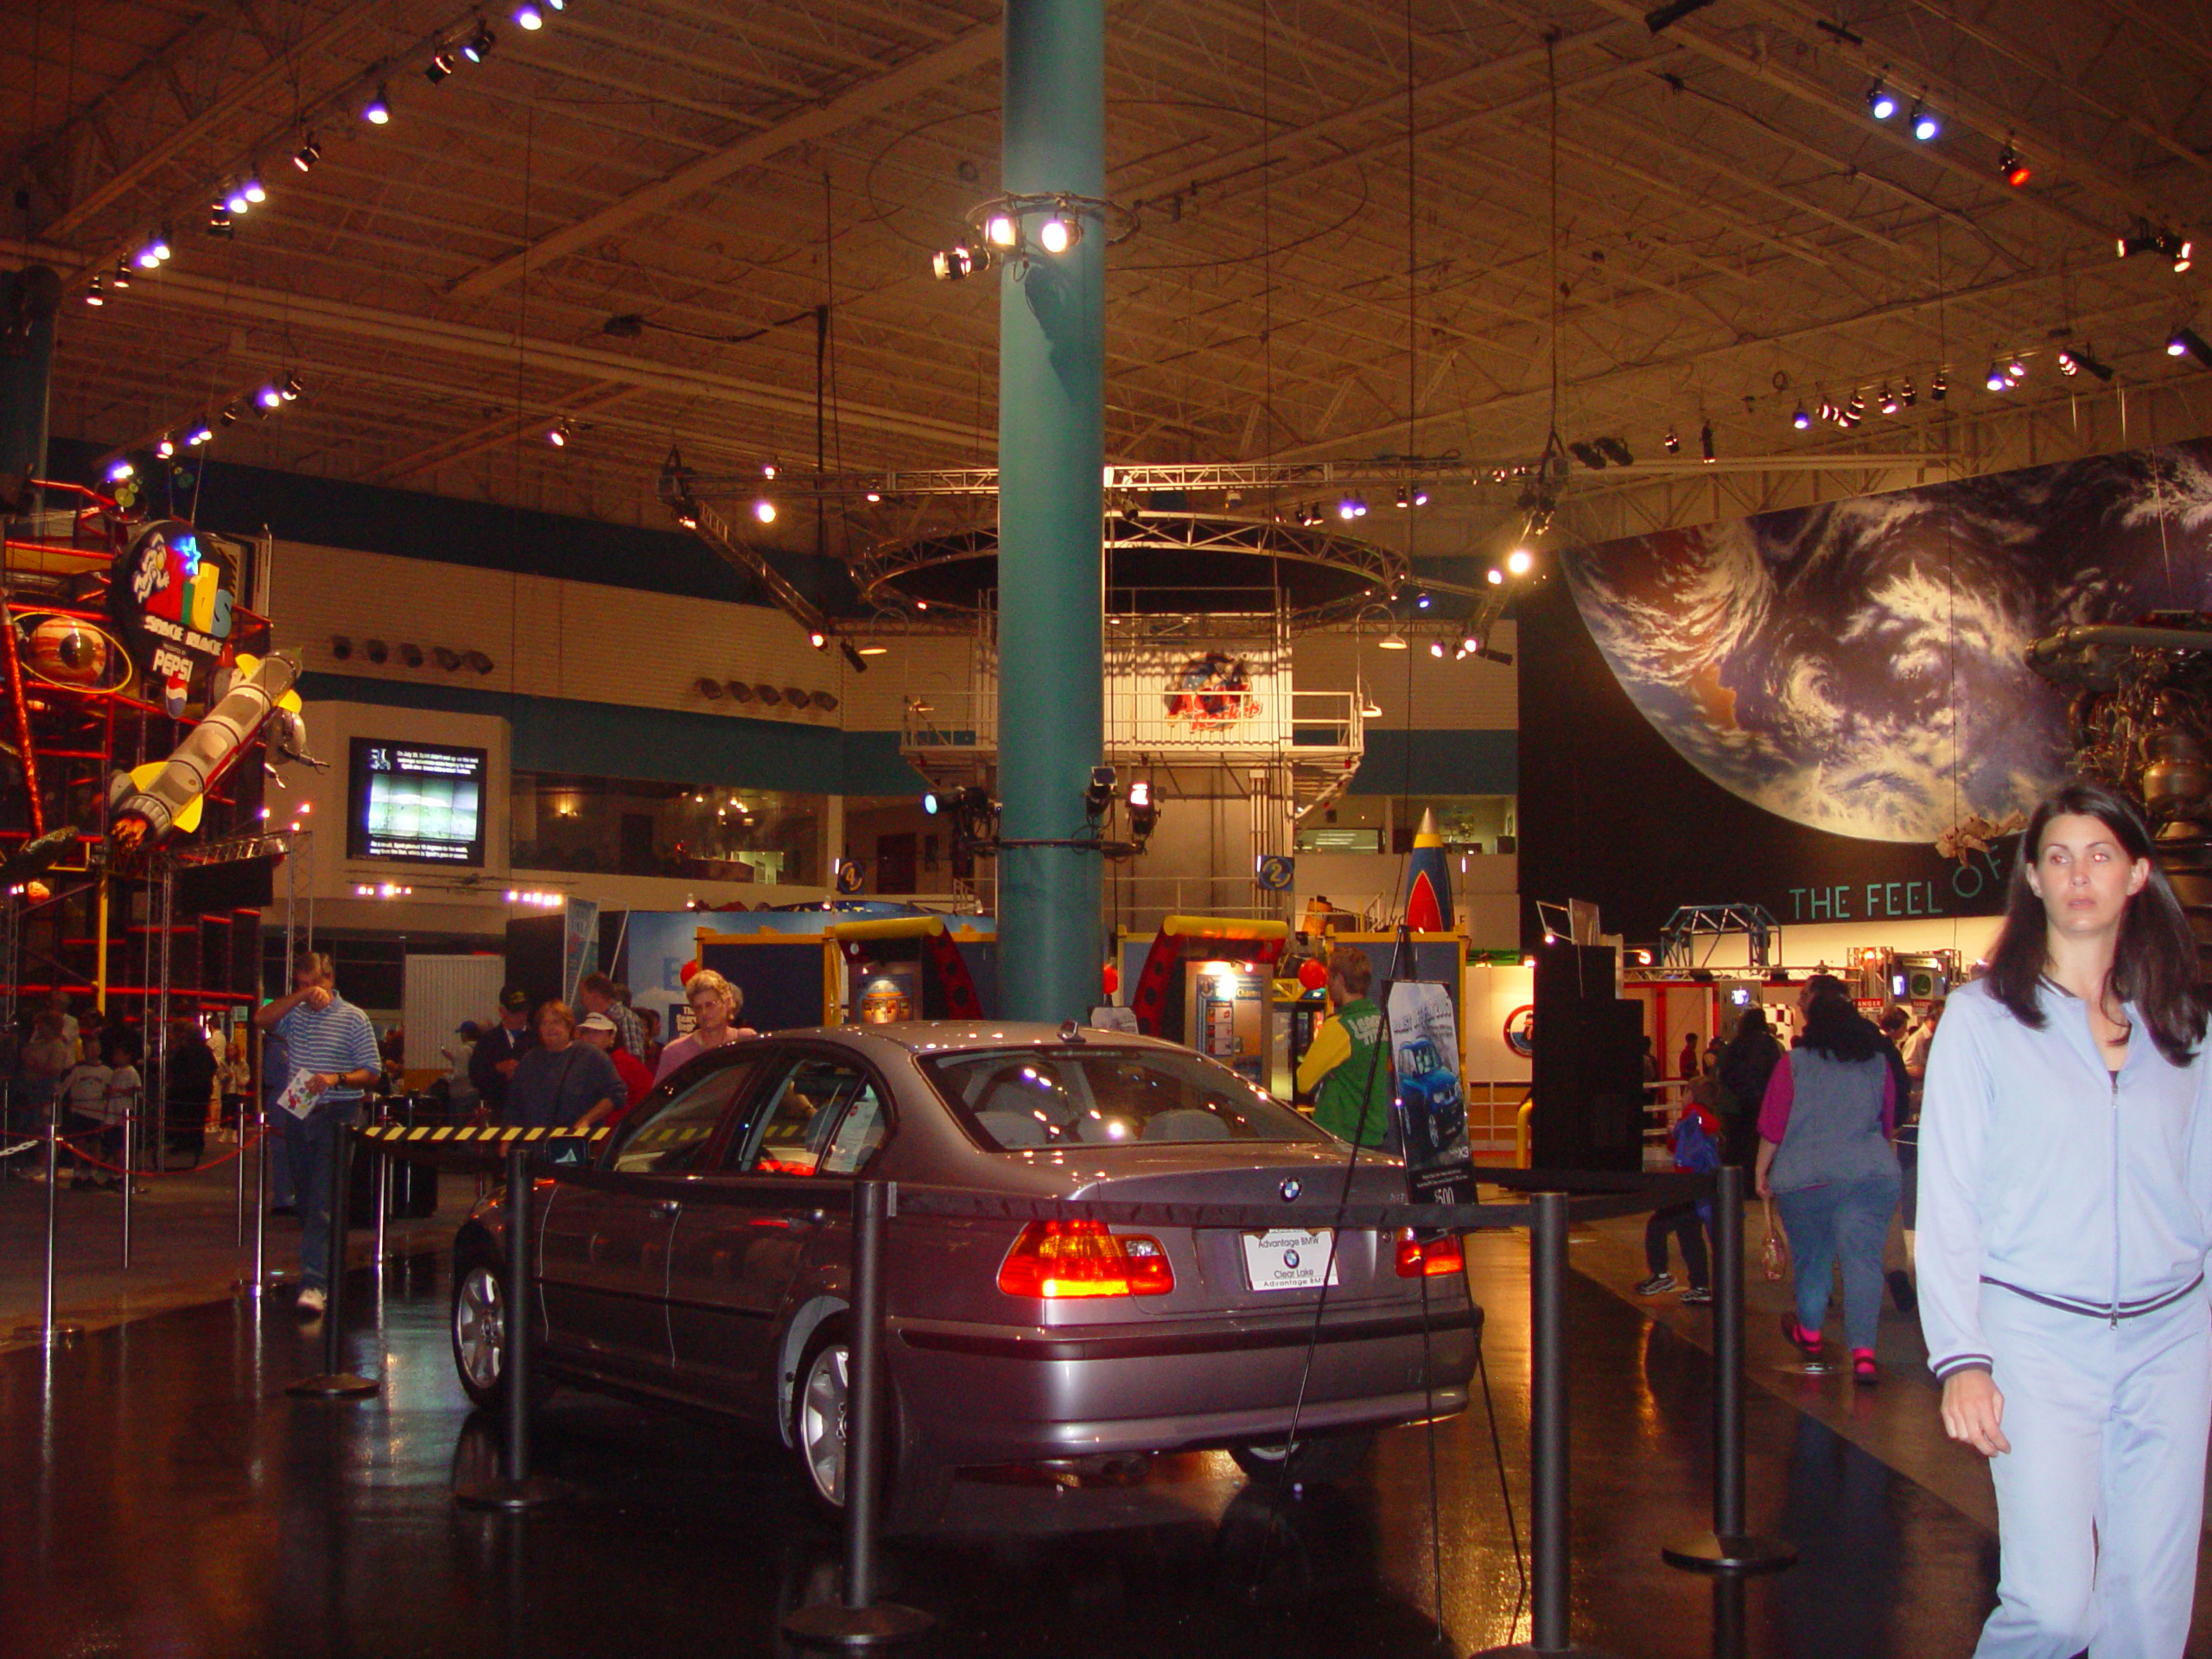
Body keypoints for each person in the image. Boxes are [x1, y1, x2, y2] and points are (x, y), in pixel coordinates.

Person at [1919, 781, 2212, 1659]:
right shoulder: (1981, 1022)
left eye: (2099, 855)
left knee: (2150, 1617)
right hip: (2036, 1340)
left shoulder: (2184, 1025)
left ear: (2136, 876)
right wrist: (1961, 1358)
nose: (2078, 873)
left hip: (2171, 1339)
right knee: (2053, 1609)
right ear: (2034, 882)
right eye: (2057, 857)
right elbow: (1948, 1202)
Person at [1756, 973, 1900, 1384]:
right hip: (1870, 1175)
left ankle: (1812, 1334)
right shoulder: (1877, 1063)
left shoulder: (1794, 1064)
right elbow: (1887, 1120)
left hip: (1807, 1179)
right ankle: (1865, 1354)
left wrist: (1761, 1171)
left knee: (1813, 1259)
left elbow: (1774, 1125)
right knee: (1863, 1263)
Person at [255, 951, 382, 1317]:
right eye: (301, 985)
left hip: (338, 1110)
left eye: (315, 984)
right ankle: (327, 1262)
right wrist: (298, 998)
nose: (310, 992)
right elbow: (263, 1019)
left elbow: (371, 1071)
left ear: (330, 979)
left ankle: (314, 1282)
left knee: (324, 1200)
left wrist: (336, 1078)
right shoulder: (295, 1014)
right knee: (308, 1197)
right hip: (300, 1107)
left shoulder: (353, 1017)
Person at [1293, 945, 1394, 1148]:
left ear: (1339, 978)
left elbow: (1304, 1081)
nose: (1327, 984)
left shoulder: (1340, 1027)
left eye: (1329, 978)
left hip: (1342, 1137)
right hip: (1373, 1134)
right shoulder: (1380, 1020)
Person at [1636, 1087, 1721, 1304]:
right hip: (1697, 1189)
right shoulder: (1692, 1119)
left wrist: (1684, 1126)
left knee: (1657, 1225)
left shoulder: (1694, 1112)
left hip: (1688, 1188)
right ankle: (1700, 1285)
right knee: (1689, 1235)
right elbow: (1675, 1148)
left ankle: (1660, 1274)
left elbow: (1706, 1126)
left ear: (1692, 1094)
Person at [505, 1002, 620, 1132]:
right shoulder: (529, 1060)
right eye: (545, 1023)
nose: (550, 1028)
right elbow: (514, 1105)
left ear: (569, 1026)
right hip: (534, 1144)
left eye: (556, 1022)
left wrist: (586, 1120)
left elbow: (616, 1094)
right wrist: (508, 1141)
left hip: (576, 1142)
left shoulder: (592, 1056)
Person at [1877, 1004, 1919, 1313]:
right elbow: (1900, 1090)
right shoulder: (1885, 1050)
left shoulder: (1807, 1056)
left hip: (1828, 1147)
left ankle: (1821, 1286)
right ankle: (1896, 1271)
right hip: (1880, 1137)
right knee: (1890, 1209)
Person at [652, 969, 758, 1084]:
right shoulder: (675, 1053)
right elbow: (661, 1099)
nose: (704, 1012)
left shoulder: (745, 1041)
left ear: (727, 1003)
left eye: (709, 1005)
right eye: (698, 1008)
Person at [1717, 1007, 1783, 1170]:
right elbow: (1776, 1072)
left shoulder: (1735, 1044)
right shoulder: (1769, 1044)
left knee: (1736, 1146)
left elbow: (1724, 1073)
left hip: (1737, 1106)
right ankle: (1755, 1182)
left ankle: (1732, 1187)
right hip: (1762, 1103)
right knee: (1757, 1146)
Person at [573, 1012, 654, 1127]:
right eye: (586, 1032)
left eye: (597, 1032)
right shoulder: (577, 1064)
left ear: (612, 1037)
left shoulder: (626, 1065)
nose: (589, 1037)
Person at [468, 987, 537, 1116]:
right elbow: (475, 1076)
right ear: (502, 1011)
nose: (521, 1017)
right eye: (515, 1013)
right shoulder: (487, 1041)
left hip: (530, 1111)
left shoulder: (537, 1040)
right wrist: (497, 1069)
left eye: (524, 1012)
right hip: (496, 1111)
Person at [162, 1019, 218, 1166]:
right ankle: (197, 1143)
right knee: (197, 1117)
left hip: (184, 1089)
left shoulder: (184, 1050)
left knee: (183, 1117)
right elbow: (213, 1067)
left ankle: (184, 1142)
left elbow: (174, 1066)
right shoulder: (205, 1050)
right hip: (201, 1088)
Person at [577, 971, 645, 1062]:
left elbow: (634, 1059)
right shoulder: (592, 1018)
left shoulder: (625, 1018)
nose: (582, 1002)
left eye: (583, 997)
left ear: (595, 997)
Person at [442, 1021, 481, 1118]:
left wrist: (447, 1076)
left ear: (465, 1034)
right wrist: (453, 1059)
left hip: (462, 1096)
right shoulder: (480, 1047)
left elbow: (460, 1074)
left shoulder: (464, 1050)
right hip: (475, 1094)